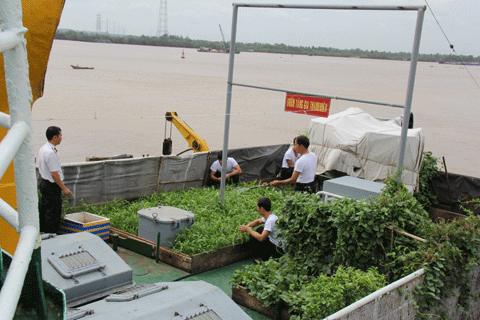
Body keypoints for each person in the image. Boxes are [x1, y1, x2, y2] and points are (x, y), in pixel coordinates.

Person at [38, 126, 72, 233]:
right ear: (55, 137)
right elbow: (54, 174)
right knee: (53, 214)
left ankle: (44, 233)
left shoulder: (43, 149)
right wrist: (64, 189)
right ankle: (51, 235)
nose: (61, 138)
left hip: (44, 183)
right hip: (51, 186)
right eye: (60, 135)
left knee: (45, 211)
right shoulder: (51, 152)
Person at [239, 197, 283, 263]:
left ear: (261, 208)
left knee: (255, 236)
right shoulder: (271, 216)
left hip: (278, 249)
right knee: (260, 229)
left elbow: (261, 238)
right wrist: (247, 226)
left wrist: (248, 229)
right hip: (277, 244)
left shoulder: (270, 221)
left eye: (257, 207)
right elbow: (258, 222)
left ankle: (264, 259)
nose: (256, 209)